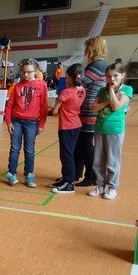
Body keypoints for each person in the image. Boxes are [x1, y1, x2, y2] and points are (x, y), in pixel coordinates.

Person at [88, 63, 132, 200]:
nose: (112, 79)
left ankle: (112, 187)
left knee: (113, 161)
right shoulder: (102, 91)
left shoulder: (127, 90)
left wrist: (112, 91)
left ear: (122, 75)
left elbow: (116, 107)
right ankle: (100, 185)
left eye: (115, 75)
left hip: (115, 130)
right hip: (100, 128)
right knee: (98, 161)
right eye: (108, 76)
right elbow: (94, 108)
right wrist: (107, 99)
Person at [4, 58, 48, 187]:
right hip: (16, 121)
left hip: (32, 122)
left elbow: (44, 107)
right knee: (15, 148)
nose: (26, 75)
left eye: (29, 72)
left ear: (35, 71)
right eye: (24, 72)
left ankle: (29, 175)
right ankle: (11, 173)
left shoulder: (41, 85)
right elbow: (9, 106)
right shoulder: (17, 86)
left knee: (29, 150)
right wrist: (8, 122)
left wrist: (41, 124)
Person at [74, 36, 108, 187]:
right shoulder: (100, 65)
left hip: (89, 110)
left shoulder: (97, 65)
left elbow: (80, 82)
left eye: (87, 48)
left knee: (85, 143)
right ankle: (76, 173)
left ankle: (92, 176)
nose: (85, 51)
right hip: (88, 108)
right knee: (81, 142)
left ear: (92, 48)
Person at [49, 64, 86, 194]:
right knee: (70, 153)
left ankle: (69, 183)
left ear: (69, 77)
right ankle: (66, 178)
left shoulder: (66, 92)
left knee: (66, 155)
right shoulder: (83, 90)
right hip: (76, 124)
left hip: (67, 126)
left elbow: (54, 111)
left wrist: (51, 110)